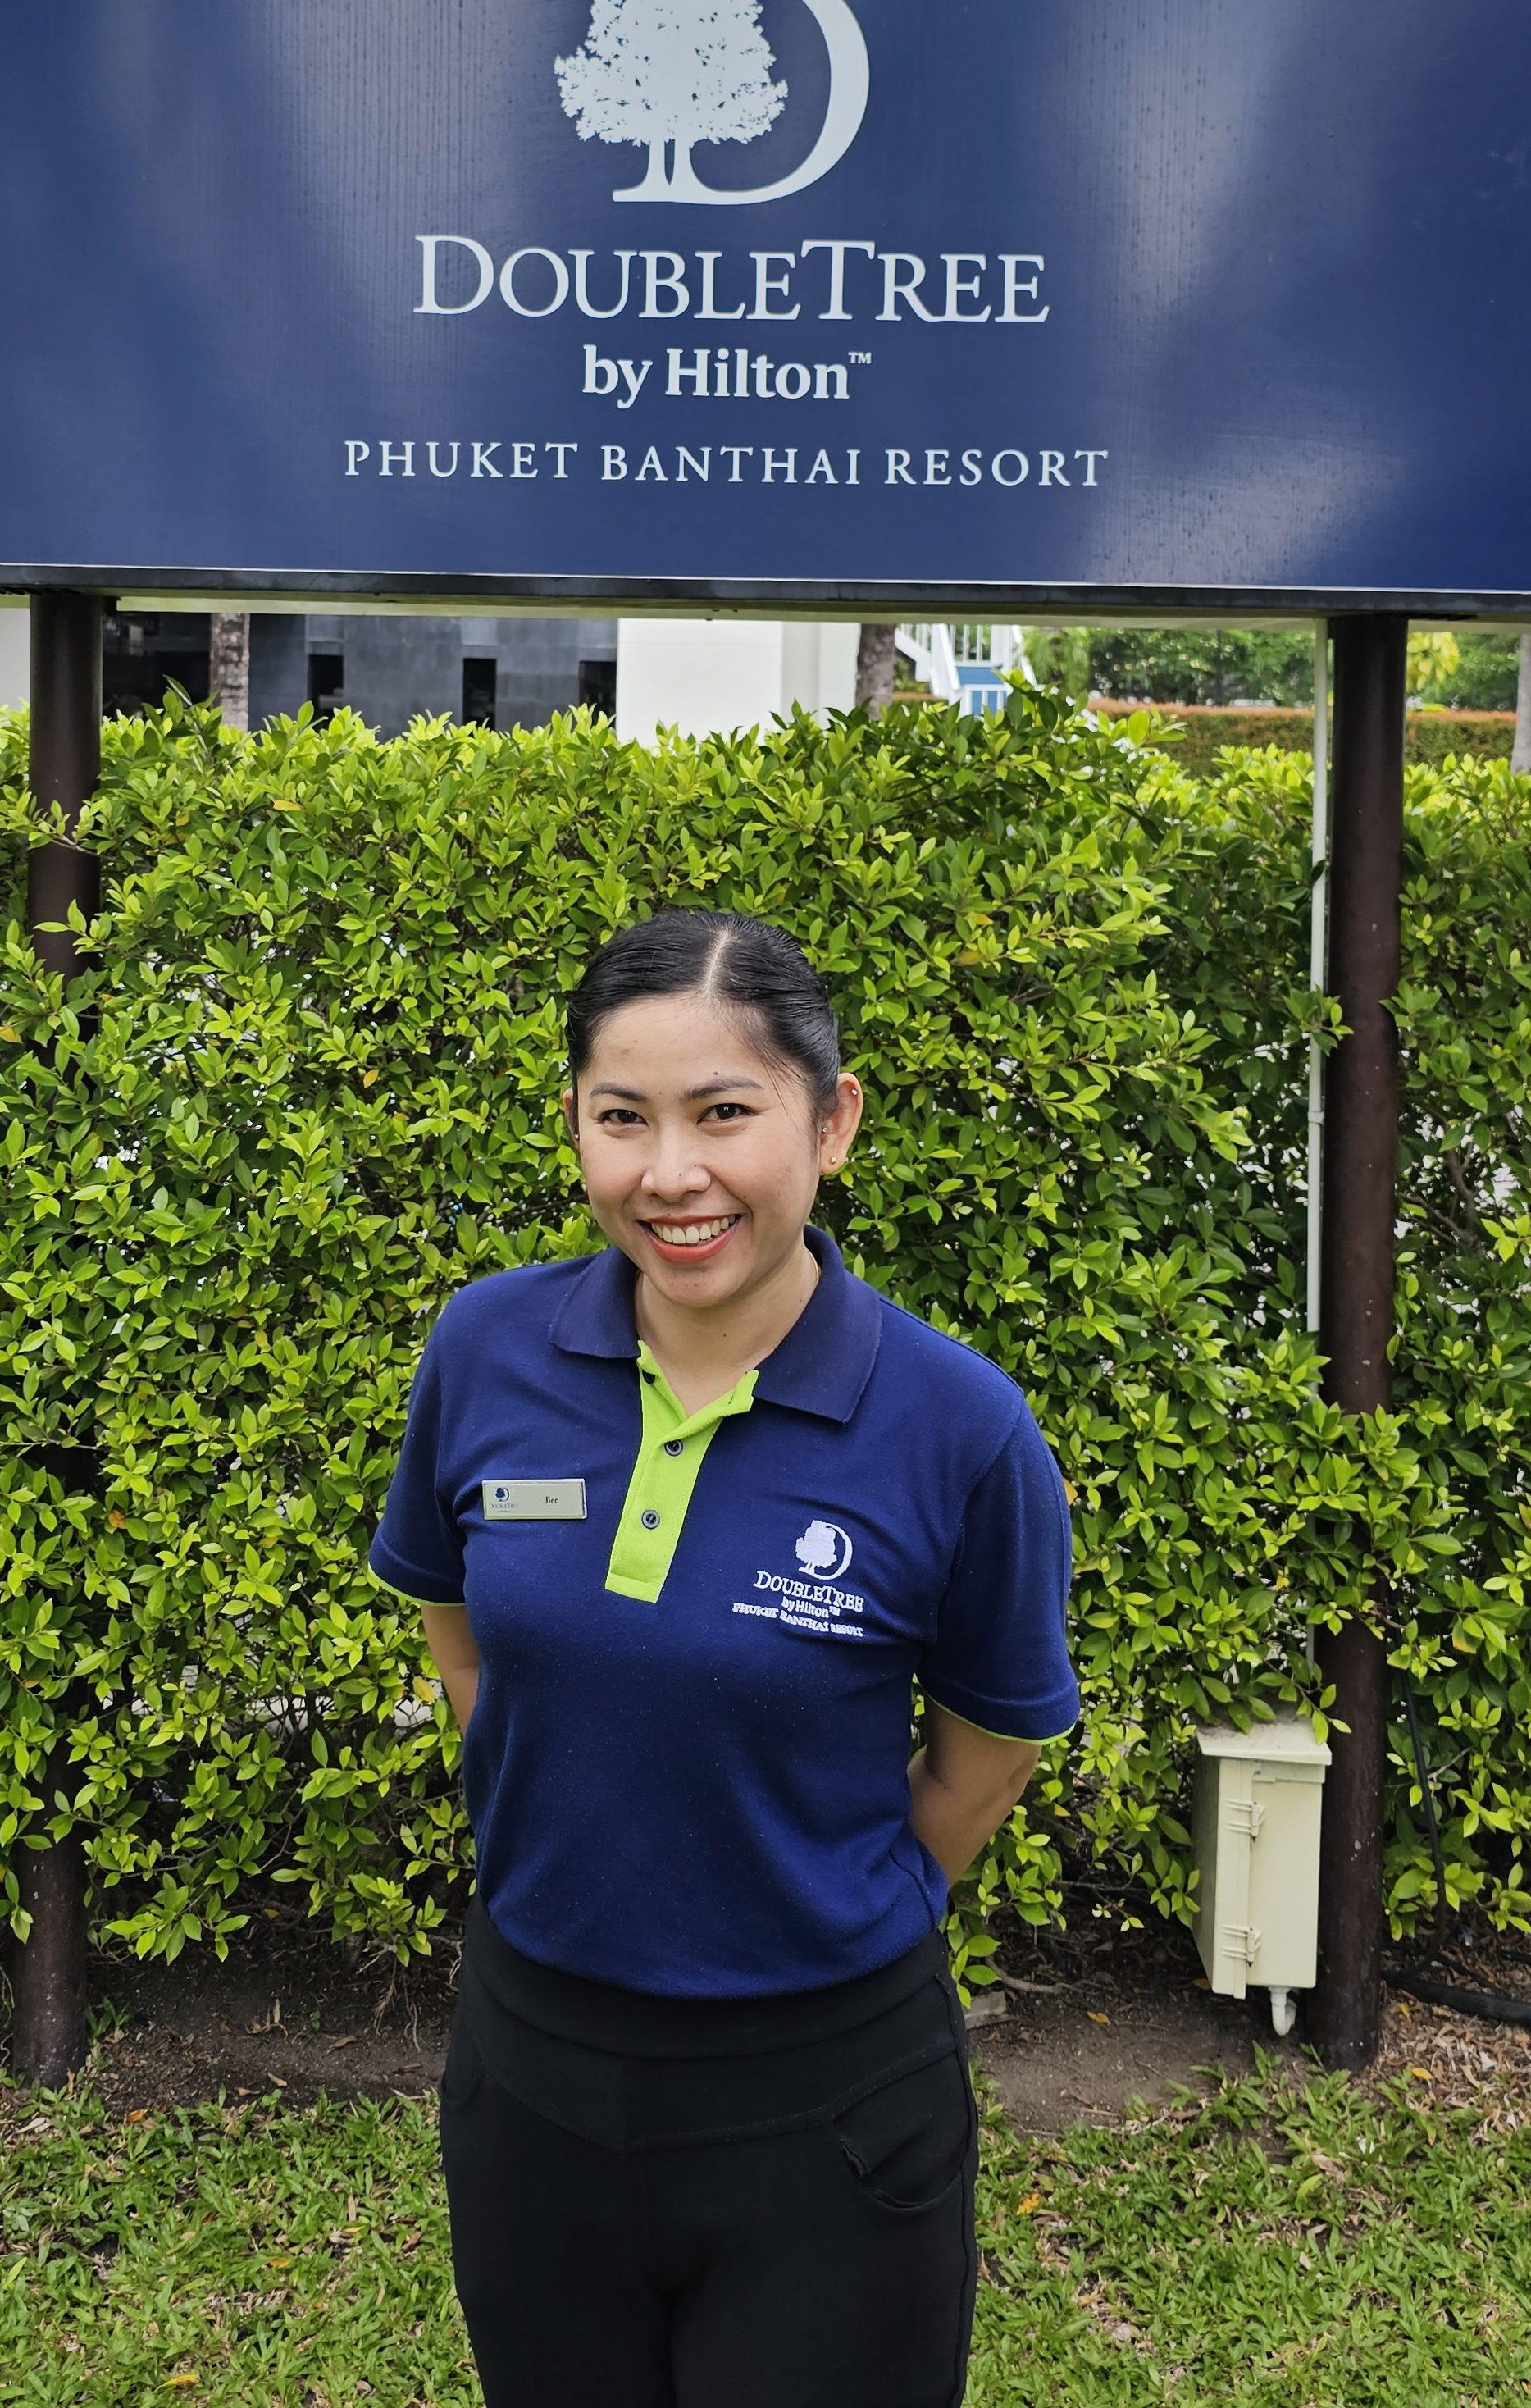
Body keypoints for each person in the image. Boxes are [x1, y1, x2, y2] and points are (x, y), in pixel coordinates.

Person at [368, 907, 1078, 2408]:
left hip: (824, 2100)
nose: (670, 1174)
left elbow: (990, 1744)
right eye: (622, 1118)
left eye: (726, 1114)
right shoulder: (484, 1351)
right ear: (573, 1123)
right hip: (532, 2066)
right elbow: (461, 1632)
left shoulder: (958, 1427)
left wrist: (850, 1894)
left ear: (832, 1126)